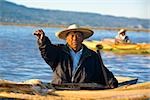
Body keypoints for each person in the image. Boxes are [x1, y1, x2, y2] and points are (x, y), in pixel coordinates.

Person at [33, 24, 118, 89]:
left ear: (82, 38)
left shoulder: (92, 55)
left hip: (83, 90)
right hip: (60, 88)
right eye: (72, 36)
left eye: (78, 36)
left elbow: (102, 71)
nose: (75, 39)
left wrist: (112, 82)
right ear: (66, 38)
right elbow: (47, 51)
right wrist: (43, 41)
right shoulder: (58, 51)